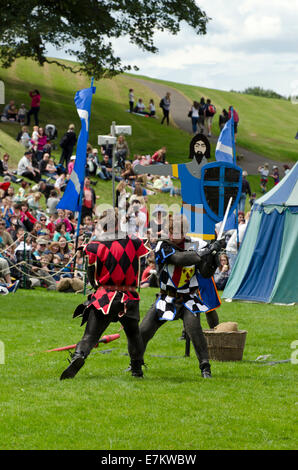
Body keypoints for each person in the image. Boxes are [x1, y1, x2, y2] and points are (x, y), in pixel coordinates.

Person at [60, 209, 150, 380]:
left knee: (90, 336)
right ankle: (137, 369)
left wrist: (96, 286)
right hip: (129, 296)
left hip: (105, 297)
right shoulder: (134, 242)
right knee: (133, 334)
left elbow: (91, 274)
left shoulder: (96, 245)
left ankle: (79, 355)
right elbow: (141, 262)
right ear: (118, 223)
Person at [134, 214, 225, 379]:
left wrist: (213, 256)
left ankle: (205, 368)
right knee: (143, 331)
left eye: (177, 231)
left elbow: (205, 272)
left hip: (188, 299)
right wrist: (207, 250)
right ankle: (135, 365)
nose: (173, 234)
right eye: (171, 230)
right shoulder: (163, 245)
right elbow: (180, 259)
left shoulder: (197, 244)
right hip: (166, 297)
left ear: (184, 231)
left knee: (195, 331)